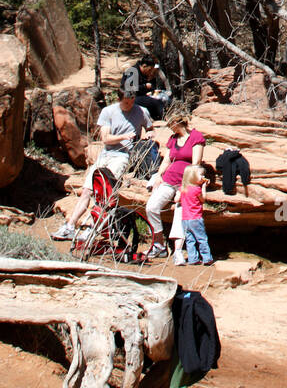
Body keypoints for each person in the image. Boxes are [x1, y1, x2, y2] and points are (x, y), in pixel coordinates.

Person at [52, 89, 153, 241]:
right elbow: (105, 138)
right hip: (105, 155)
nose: (130, 104)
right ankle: (70, 226)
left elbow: (150, 128)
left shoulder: (141, 111)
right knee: (87, 190)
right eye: (127, 101)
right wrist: (124, 136)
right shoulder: (108, 111)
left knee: (105, 193)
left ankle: (93, 228)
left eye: (132, 100)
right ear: (120, 99)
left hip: (123, 156)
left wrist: (149, 134)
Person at [144, 108, 206, 262]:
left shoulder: (195, 137)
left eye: (171, 124)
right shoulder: (173, 138)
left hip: (186, 181)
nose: (170, 127)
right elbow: (167, 159)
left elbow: (196, 164)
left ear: (177, 123)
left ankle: (178, 250)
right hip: (169, 179)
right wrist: (158, 175)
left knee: (181, 211)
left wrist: (184, 188)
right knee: (151, 207)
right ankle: (159, 244)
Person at [179, 164, 213, 266]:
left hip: (185, 219)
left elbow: (178, 199)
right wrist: (203, 188)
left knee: (190, 240)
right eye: (201, 175)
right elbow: (203, 200)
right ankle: (207, 258)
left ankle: (192, 258)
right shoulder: (196, 189)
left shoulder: (183, 188)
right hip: (195, 219)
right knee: (201, 239)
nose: (203, 177)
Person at [120, 54, 170, 121]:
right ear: (144, 66)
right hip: (130, 99)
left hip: (139, 96)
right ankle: (166, 118)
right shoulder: (133, 71)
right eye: (149, 70)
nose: (150, 72)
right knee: (157, 102)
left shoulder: (143, 74)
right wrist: (144, 86)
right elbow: (129, 88)